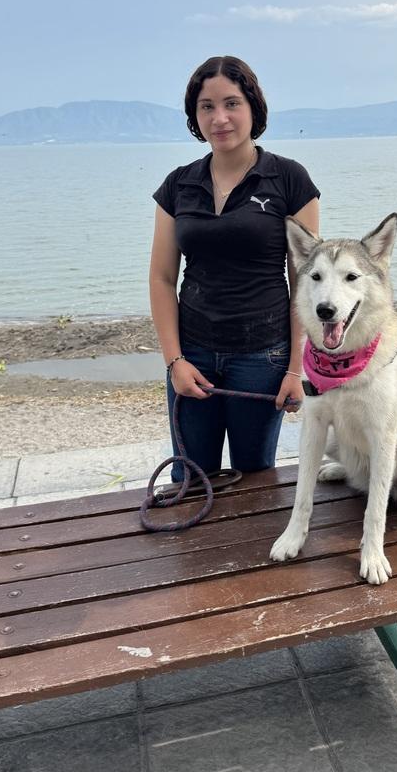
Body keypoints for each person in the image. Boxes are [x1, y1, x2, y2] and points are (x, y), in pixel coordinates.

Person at [149, 56, 321, 483]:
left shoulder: (288, 179)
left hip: (263, 357)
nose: (219, 118)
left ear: (253, 108)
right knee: (191, 481)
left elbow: (305, 280)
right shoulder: (178, 184)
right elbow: (162, 277)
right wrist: (175, 361)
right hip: (193, 354)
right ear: (195, 115)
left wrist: (296, 369)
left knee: (256, 482)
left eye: (231, 103)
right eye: (206, 106)